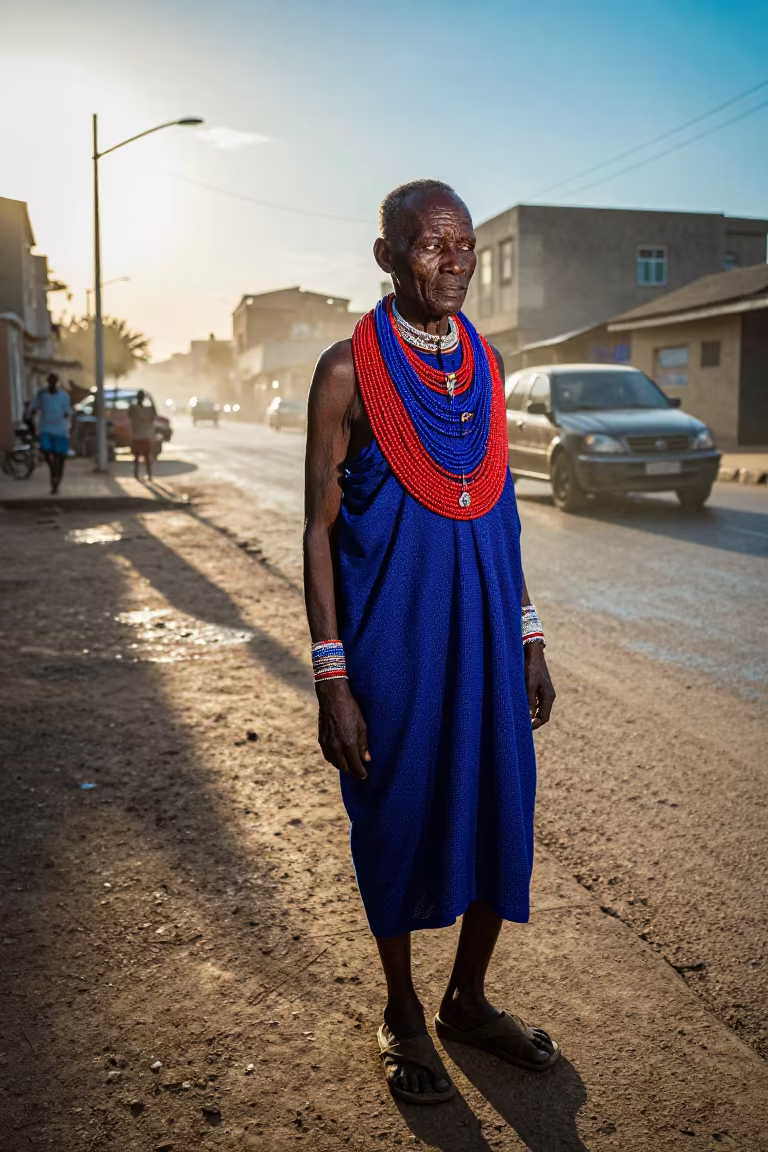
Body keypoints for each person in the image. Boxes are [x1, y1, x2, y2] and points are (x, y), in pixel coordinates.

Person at [303, 180, 558, 1106]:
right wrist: (332, 678)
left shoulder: (486, 365)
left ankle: (468, 997)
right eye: (431, 247)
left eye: (466, 247)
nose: (455, 264)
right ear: (388, 258)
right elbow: (316, 529)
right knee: (399, 813)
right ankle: (402, 1010)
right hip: (393, 635)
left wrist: (529, 634)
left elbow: (497, 501)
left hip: (489, 630)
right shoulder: (345, 373)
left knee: (501, 802)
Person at [32, 373, 71, 494]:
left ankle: (56, 482)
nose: (52, 384)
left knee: (60, 457)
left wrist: (67, 416)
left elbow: (68, 411)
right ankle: (53, 471)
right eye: (50, 381)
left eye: (54, 381)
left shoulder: (63, 396)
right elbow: (35, 407)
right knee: (46, 451)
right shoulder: (42, 395)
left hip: (60, 430)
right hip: (46, 429)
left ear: (57, 382)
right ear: (48, 382)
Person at [129, 391, 156, 481]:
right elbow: (154, 413)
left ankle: (136, 475)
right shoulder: (146, 410)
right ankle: (149, 475)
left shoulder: (133, 409)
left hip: (136, 436)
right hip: (145, 436)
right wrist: (151, 399)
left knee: (136, 457)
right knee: (147, 457)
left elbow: (129, 414)